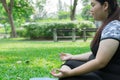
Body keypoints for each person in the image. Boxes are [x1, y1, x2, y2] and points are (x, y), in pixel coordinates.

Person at [51, 0, 120, 80]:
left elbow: (100, 62)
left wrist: (69, 73)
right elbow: (96, 54)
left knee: (69, 77)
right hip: (103, 72)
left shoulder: (114, 27)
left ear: (105, 5)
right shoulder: (109, 24)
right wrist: (72, 57)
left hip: (110, 75)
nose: (91, 9)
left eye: (93, 5)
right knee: (70, 63)